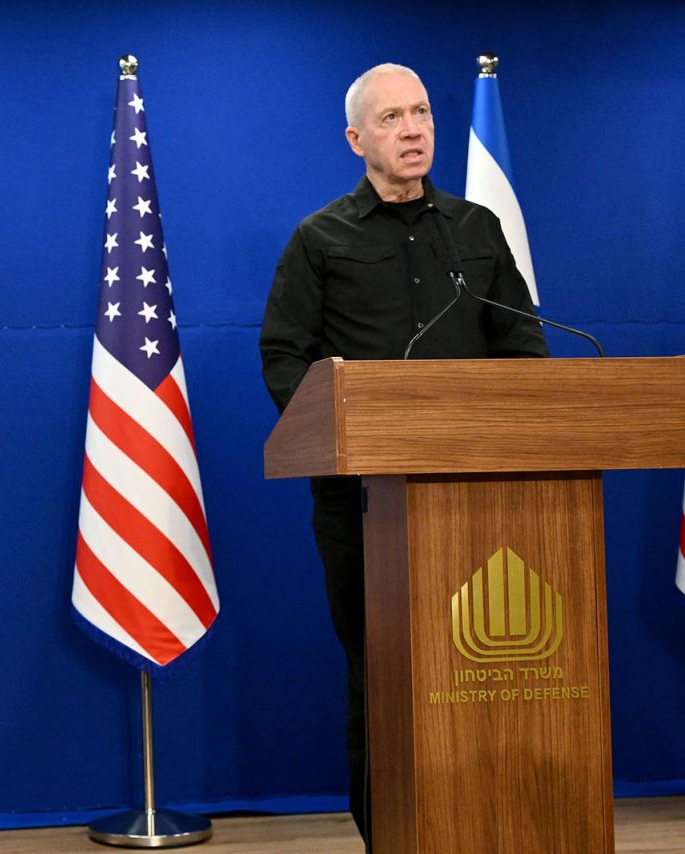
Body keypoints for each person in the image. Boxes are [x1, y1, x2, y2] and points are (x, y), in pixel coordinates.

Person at [258, 63, 548, 849]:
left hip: (481, 503)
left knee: (488, 671)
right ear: (357, 139)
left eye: (421, 113)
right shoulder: (321, 238)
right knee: (383, 678)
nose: (414, 130)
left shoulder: (476, 231)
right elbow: (286, 359)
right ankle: (388, 833)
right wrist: (345, 439)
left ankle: (488, 822)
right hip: (365, 507)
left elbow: (523, 347)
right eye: (392, 118)